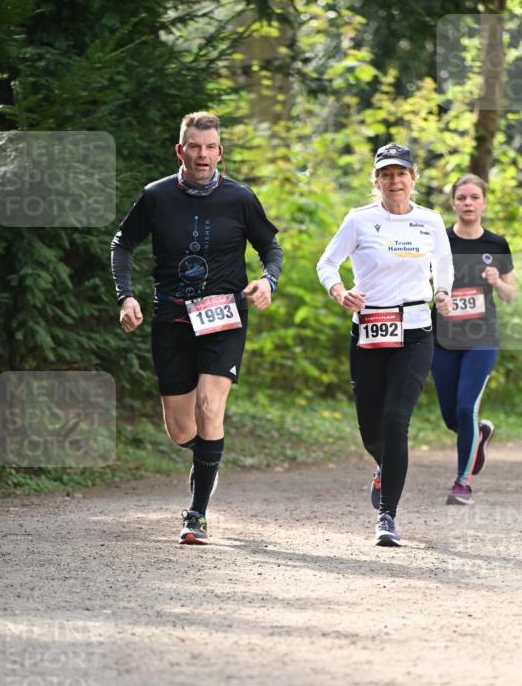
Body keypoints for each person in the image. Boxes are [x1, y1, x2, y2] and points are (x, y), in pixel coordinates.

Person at [110, 111, 282, 545]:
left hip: (223, 317)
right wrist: (125, 295)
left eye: (210, 147)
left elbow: (269, 246)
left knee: (209, 405)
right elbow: (122, 243)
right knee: (181, 430)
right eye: (194, 146)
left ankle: (196, 515)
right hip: (171, 319)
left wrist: (268, 280)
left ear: (220, 152)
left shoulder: (240, 198)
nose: (202, 154)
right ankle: (209, 453)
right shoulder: (156, 196)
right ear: (180, 150)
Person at [317, 143, 453, 547]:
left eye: (401, 173)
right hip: (370, 327)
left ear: (413, 178)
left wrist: (442, 291)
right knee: (370, 428)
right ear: (376, 181)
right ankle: (384, 466)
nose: (395, 181)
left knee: (396, 420)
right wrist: (339, 291)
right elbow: (327, 264)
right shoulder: (359, 221)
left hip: (414, 328)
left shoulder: (430, 220)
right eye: (387, 175)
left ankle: (387, 516)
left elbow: (443, 265)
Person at [431, 173, 516, 505]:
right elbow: (421, 281)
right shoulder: (439, 241)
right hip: (443, 339)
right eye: (462, 197)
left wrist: (497, 282)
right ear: (453, 202)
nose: (468, 203)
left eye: (474, 197)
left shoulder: (496, 245)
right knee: (452, 417)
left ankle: (462, 483)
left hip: (482, 338)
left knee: (467, 407)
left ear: (484, 202)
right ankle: (479, 435)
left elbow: (510, 295)